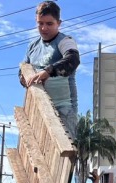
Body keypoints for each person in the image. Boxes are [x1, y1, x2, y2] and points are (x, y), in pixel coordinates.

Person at [20, 1, 80, 136]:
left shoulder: (65, 41)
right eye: (40, 23)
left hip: (63, 111)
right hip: (37, 109)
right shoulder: (32, 46)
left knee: (64, 153)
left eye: (49, 24)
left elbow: (73, 60)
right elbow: (23, 71)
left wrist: (48, 72)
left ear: (59, 23)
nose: (44, 28)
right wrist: (25, 79)